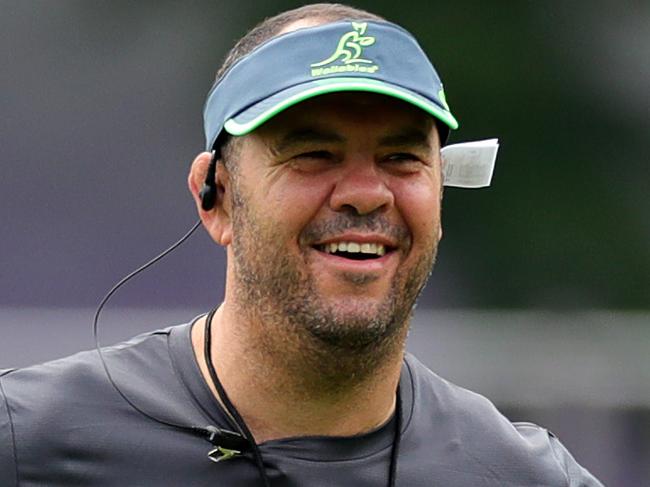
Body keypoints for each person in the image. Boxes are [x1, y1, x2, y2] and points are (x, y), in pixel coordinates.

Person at [0, 4, 603, 486]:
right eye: (314, 154)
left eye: (400, 157)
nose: (367, 194)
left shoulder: (522, 475)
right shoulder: (28, 441)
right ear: (216, 197)